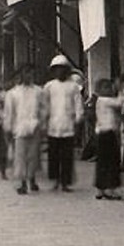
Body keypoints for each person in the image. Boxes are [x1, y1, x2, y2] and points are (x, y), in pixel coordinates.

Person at [43, 55, 84, 192]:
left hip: (68, 126)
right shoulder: (49, 86)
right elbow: (44, 105)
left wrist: (78, 122)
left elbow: (78, 106)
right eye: (57, 69)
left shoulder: (73, 87)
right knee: (53, 156)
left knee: (67, 157)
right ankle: (55, 181)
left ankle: (65, 182)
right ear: (53, 71)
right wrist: (43, 122)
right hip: (53, 126)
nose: (60, 72)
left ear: (67, 70)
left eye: (62, 69)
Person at [3, 64, 45, 195]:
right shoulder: (13, 93)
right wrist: (8, 128)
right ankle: (22, 183)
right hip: (19, 127)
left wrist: (42, 125)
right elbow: (9, 112)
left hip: (35, 126)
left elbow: (43, 109)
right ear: (21, 75)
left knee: (33, 155)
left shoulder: (39, 91)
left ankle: (32, 179)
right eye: (26, 73)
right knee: (20, 156)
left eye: (31, 73)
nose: (29, 76)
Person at [90, 79, 124, 200]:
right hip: (107, 134)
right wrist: (120, 89)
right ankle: (110, 189)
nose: (109, 90)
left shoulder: (100, 101)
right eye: (106, 87)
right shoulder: (104, 100)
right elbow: (119, 102)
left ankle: (101, 189)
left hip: (103, 134)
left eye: (109, 87)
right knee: (112, 161)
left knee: (102, 162)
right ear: (98, 91)